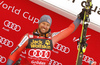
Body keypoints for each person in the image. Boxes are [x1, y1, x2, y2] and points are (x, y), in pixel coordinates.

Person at [6, 10, 96, 65]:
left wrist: (79, 18)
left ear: (49, 27)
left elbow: (69, 29)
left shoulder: (52, 37)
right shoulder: (28, 37)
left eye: (47, 25)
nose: (45, 26)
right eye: (43, 23)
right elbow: (15, 52)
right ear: (39, 23)